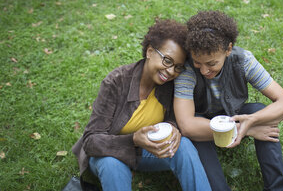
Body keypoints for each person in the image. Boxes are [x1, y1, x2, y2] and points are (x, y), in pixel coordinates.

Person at [72, 19, 212, 191]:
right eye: (167, 61)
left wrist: (173, 127)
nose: (170, 72)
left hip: (145, 153)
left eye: (178, 67)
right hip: (109, 152)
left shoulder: (170, 85)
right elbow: (91, 141)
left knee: (184, 146)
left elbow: (173, 118)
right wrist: (133, 139)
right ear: (150, 51)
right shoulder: (116, 82)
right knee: (111, 165)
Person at [174, 11, 283, 191]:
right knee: (194, 138)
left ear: (228, 49)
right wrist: (247, 129)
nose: (204, 70)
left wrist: (252, 120)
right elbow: (186, 125)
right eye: (198, 62)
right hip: (202, 124)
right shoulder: (186, 70)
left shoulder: (244, 60)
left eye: (212, 63)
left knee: (259, 111)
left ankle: (278, 187)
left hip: (233, 115)